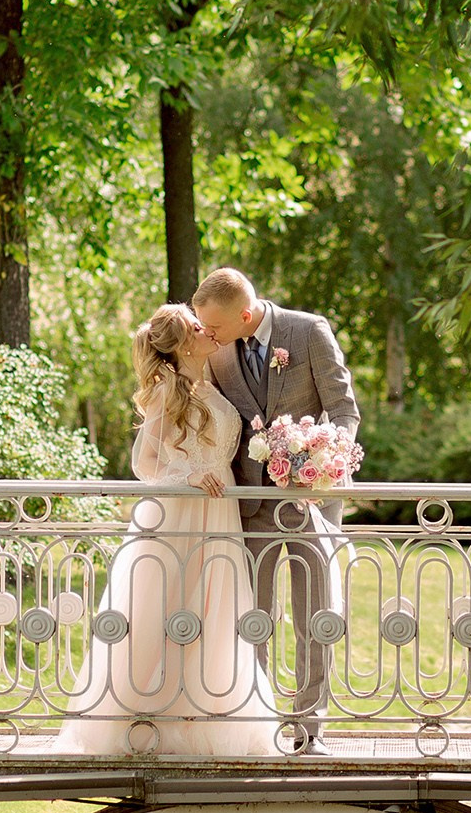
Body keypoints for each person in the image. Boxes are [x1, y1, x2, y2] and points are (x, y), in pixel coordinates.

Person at [58, 303, 280, 757]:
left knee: (214, 611)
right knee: (171, 607)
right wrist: (191, 477)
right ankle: (153, 722)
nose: (209, 331)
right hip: (182, 513)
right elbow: (145, 464)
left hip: (219, 515)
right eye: (199, 328)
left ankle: (210, 715)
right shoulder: (167, 391)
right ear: (182, 343)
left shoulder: (210, 382)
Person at [188, 267, 360, 753]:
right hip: (249, 504)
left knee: (314, 615)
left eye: (216, 327)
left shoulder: (308, 332)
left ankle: (311, 729)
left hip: (312, 502)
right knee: (254, 617)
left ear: (246, 314)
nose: (209, 335)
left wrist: (326, 462)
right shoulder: (218, 349)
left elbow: (344, 410)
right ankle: (259, 727)